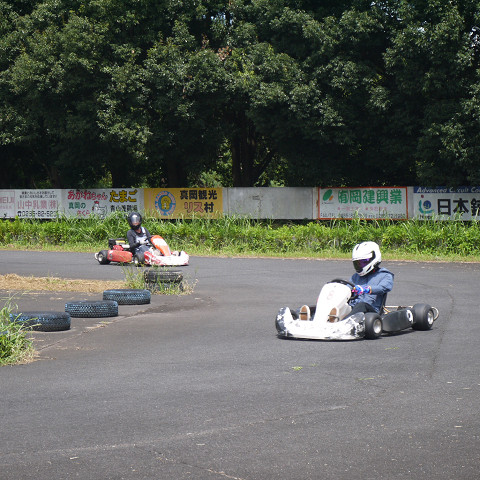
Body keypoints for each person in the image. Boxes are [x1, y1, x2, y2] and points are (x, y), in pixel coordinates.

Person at [349, 241, 394, 315]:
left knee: (362, 305)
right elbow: (347, 288)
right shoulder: (355, 277)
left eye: (363, 262)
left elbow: (383, 288)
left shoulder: (385, 275)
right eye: (358, 263)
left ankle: (345, 321)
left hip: (371, 312)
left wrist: (366, 289)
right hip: (353, 309)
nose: (360, 265)